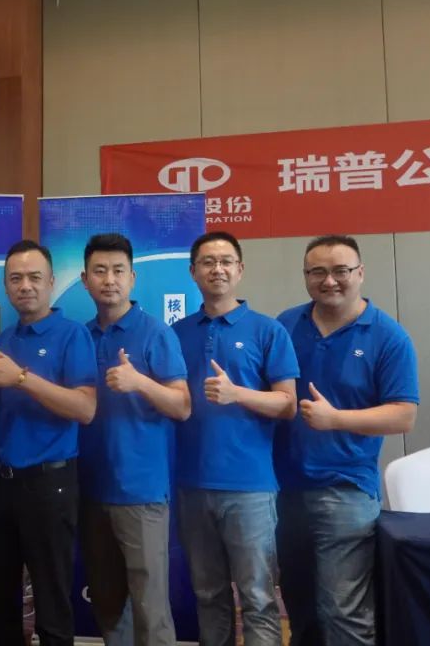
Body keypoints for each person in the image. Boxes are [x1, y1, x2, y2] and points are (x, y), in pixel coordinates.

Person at [275, 235, 419, 646]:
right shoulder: (286, 325)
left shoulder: (388, 336)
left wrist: (335, 419)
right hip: (284, 491)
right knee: (299, 606)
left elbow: (404, 415)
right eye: (317, 272)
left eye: (341, 271)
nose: (329, 281)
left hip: (346, 492)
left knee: (343, 612)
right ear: (306, 276)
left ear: (360, 273)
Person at [172, 231, 298, 646]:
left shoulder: (267, 330)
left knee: (258, 597)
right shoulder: (176, 333)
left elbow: (288, 404)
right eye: (207, 262)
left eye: (226, 261)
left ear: (240, 269)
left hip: (250, 489)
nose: (217, 269)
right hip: (191, 485)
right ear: (193, 272)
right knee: (208, 596)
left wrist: (236, 394)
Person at [0, 239, 97, 646]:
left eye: (34, 277)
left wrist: (21, 379)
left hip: (50, 483)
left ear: (50, 282)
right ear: (6, 286)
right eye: (16, 279)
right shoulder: (2, 339)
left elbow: (85, 408)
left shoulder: (72, 335)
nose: (25, 286)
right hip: (2, 483)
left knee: (51, 598)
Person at [77, 233, 190, 646]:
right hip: (90, 489)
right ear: (85, 279)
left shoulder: (155, 332)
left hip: (141, 491)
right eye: (100, 271)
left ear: (132, 277)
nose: (109, 280)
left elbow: (182, 405)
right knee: (108, 605)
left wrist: (139, 382)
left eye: (118, 271)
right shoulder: (80, 335)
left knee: (150, 607)